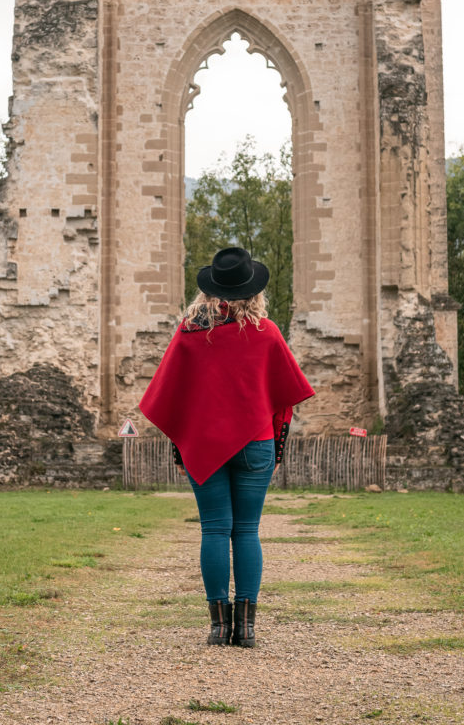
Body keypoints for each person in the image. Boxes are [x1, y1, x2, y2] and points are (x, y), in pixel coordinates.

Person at [139, 246, 314, 648]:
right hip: (256, 444)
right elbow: (283, 397)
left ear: (209, 291)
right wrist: (276, 448)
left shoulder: (188, 333)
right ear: (252, 291)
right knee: (247, 531)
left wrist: (179, 449)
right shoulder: (265, 332)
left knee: (215, 530)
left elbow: (171, 398)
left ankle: (219, 627)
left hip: (203, 445)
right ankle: (247, 628)